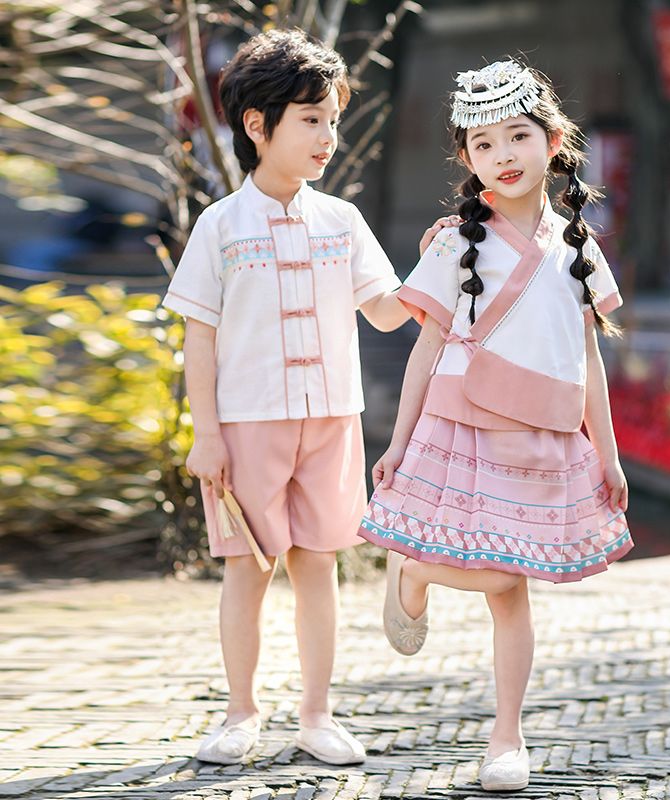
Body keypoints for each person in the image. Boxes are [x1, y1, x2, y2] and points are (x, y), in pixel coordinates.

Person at [162, 28, 456, 767]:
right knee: (248, 568)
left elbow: (388, 311)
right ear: (257, 126)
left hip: (333, 419)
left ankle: (318, 715)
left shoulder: (342, 221)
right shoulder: (220, 227)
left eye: (333, 120)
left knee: (320, 565)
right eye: (311, 119)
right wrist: (208, 436)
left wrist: (440, 263)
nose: (328, 136)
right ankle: (238, 714)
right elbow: (199, 337)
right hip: (248, 423)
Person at [359, 59, 633, 792]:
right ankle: (415, 568)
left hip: (542, 429)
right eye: (483, 144)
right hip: (463, 421)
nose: (503, 156)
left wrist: (607, 455)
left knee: (513, 587)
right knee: (502, 577)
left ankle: (505, 738)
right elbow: (424, 349)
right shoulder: (456, 241)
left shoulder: (578, 244)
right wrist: (398, 441)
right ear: (467, 158)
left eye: (517, 136)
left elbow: (587, 359)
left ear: (553, 139)